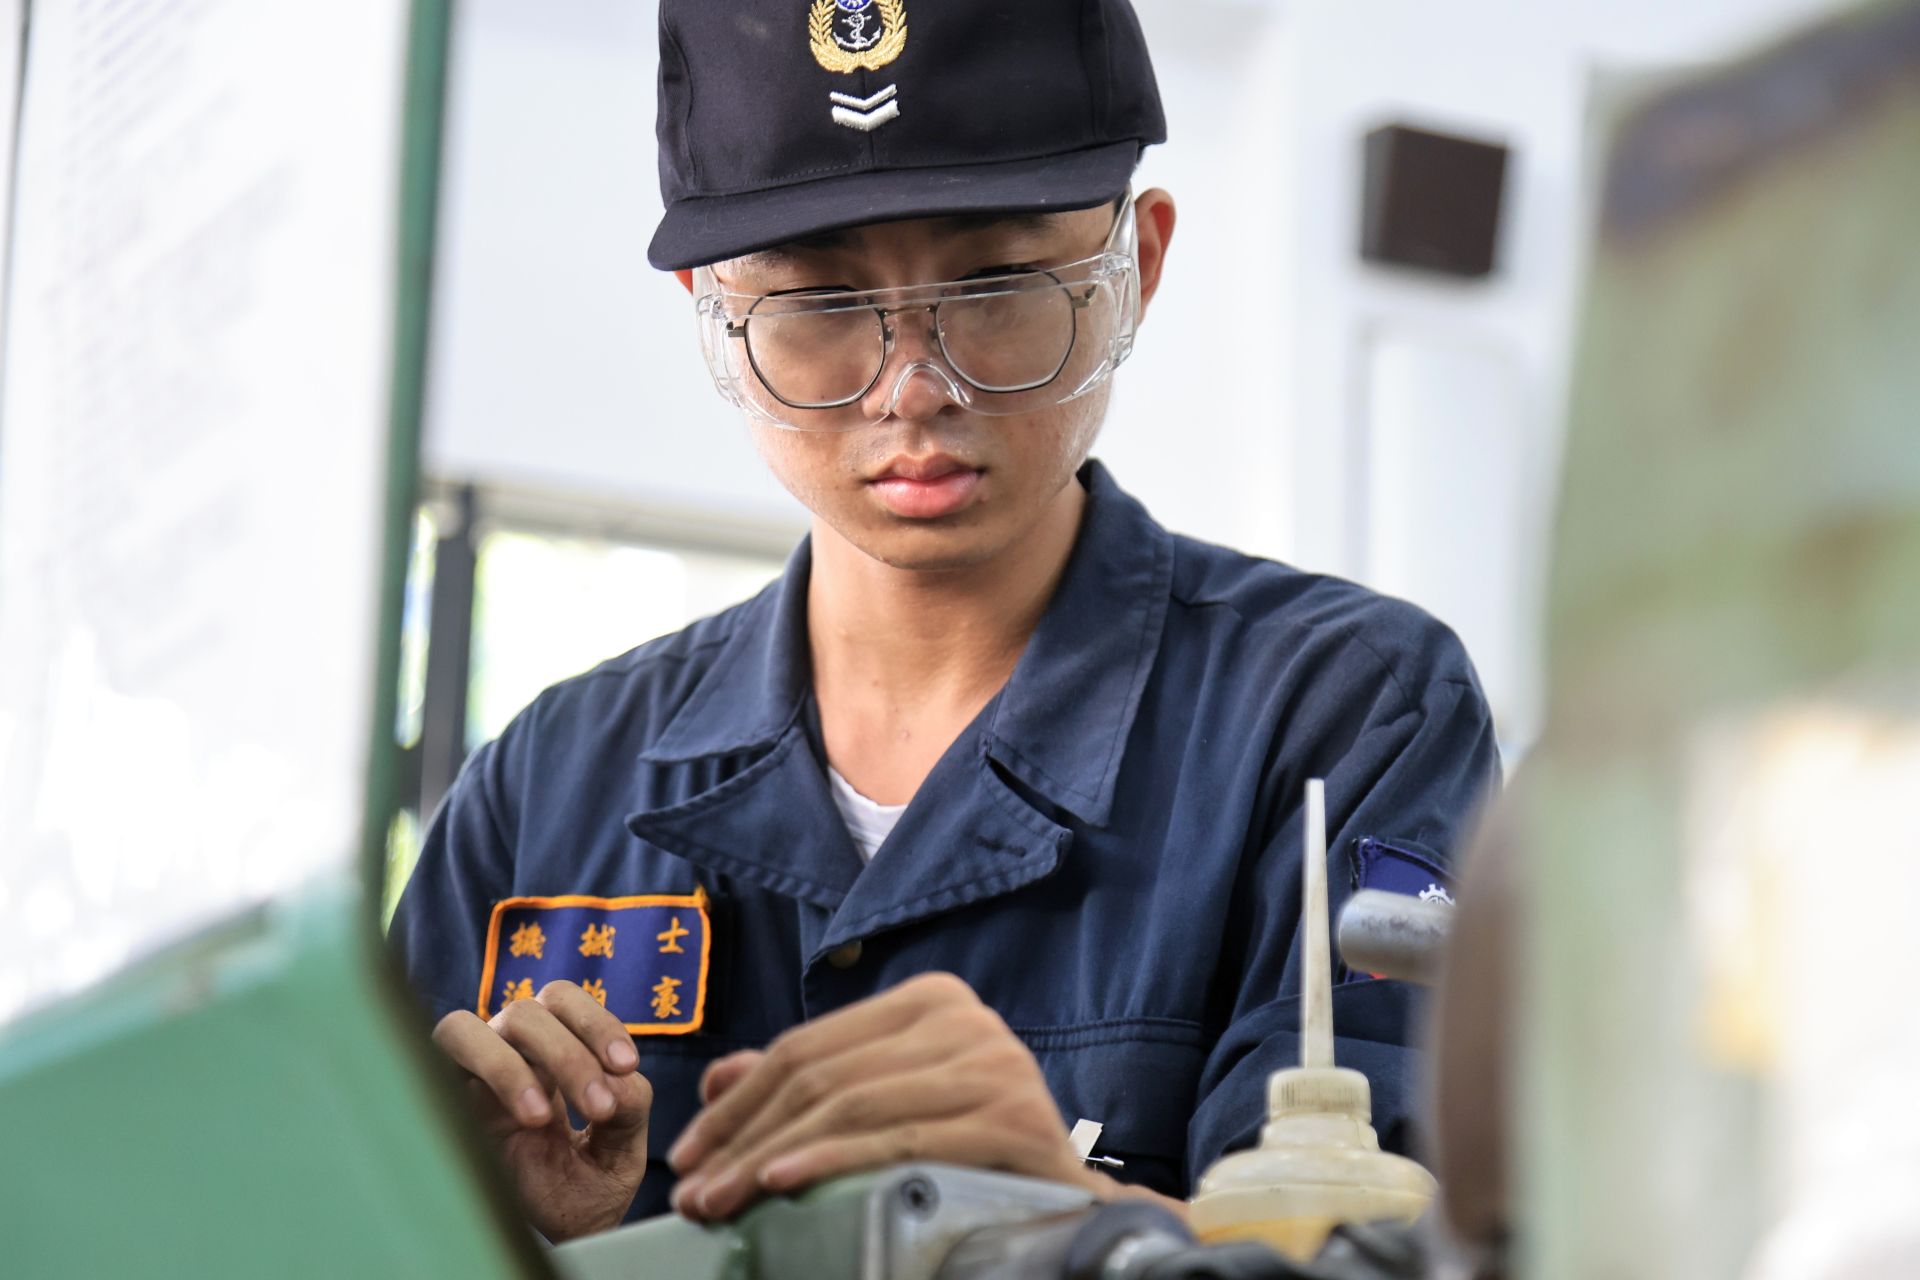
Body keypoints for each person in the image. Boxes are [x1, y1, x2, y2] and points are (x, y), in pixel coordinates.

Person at [390, 0, 1501, 1244]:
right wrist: (526, 1244)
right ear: (712, 306)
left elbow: (1412, 1260)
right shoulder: (547, 796)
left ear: (1140, 263)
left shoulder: (1345, 721)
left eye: (1003, 288)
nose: (914, 388)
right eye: (815, 306)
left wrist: (1055, 1210)